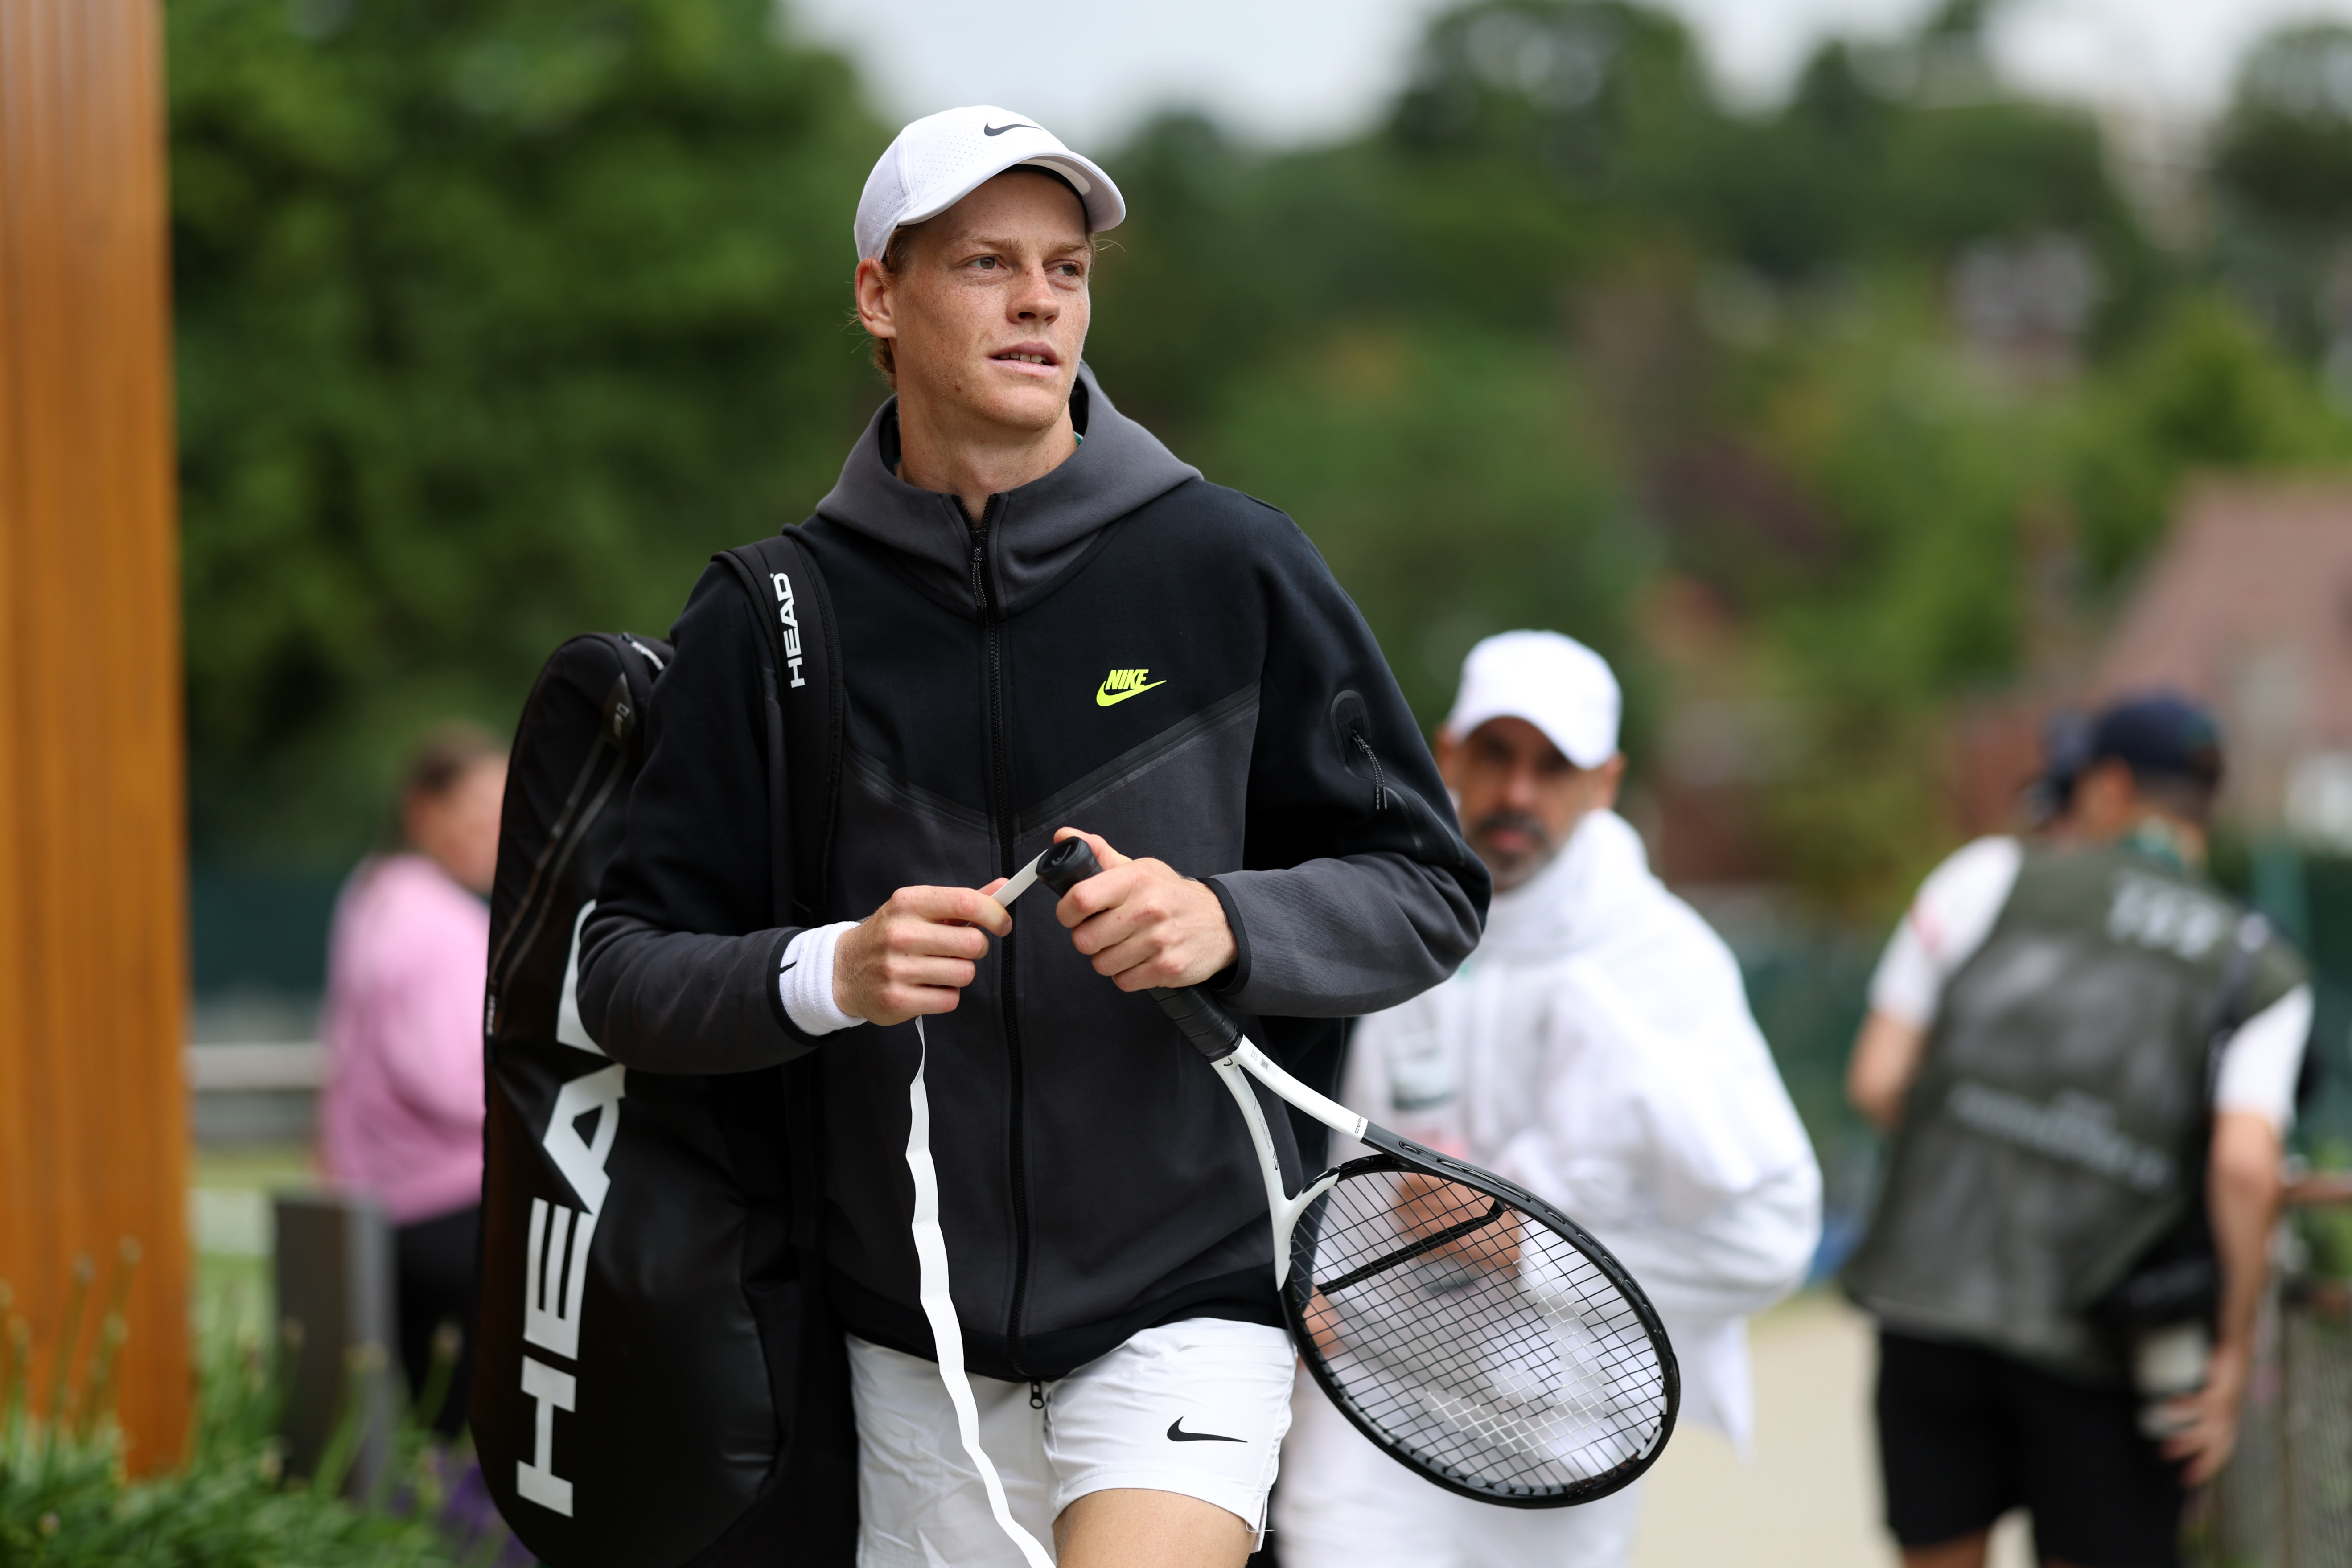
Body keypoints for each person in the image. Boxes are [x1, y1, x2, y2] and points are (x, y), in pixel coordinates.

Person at [576, 106, 1487, 1568]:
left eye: (1063, 268)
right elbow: (620, 967)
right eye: (985, 263)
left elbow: (1429, 888)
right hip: (896, 1330)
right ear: (880, 294)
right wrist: (834, 967)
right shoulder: (769, 616)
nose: (1036, 299)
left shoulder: (1231, 562)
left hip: (1186, 1295)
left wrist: (1229, 921)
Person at [1274, 631, 1822, 1568]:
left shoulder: (1664, 967)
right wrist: (1282, 1279)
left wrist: (1530, 1245)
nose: (1518, 794)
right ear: (1446, 753)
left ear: (1605, 781)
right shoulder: (1374, 902)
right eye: (1495, 755)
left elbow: (1769, 1240)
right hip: (1363, 1403)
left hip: (1560, 1449)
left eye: (1553, 766)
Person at [1843, 693, 2313, 1568]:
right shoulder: (2260, 965)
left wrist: (1989, 1135)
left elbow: (1876, 1078)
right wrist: (2235, 1347)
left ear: (2104, 785)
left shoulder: (1988, 875)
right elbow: (2246, 1168)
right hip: (2101, 1332)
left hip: (1932, 1298)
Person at [319, 721, 507, 1436]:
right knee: (469, 1429)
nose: (495, 834)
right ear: (424, 812)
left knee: (416, 1422)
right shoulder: (442, 925)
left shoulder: (370, 896)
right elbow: (449, 1080)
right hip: (451, 1210)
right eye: (478, 817)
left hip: (383, 1203)